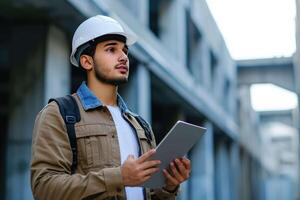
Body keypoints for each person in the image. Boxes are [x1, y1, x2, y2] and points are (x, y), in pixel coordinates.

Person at [30, 15, 191, 200]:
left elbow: (148, 194)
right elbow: (44, 189)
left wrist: (169, 186)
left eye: (125, 51)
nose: (123, 57)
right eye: (111, 49)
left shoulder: (140, 125)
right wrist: (119, 177)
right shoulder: (59, 113)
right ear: (87, 61)